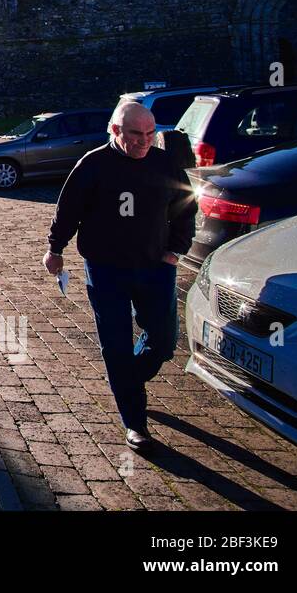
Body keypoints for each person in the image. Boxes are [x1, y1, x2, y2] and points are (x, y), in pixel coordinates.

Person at [43, 101, 197, 450]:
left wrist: (175, 250)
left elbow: (187, 206)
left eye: (149, 133)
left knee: (163, 341)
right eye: (135, 134)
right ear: (115, 131)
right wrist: (55, 250)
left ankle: (128, 382)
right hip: (106, 270)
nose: (144, 141)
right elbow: (67, 212)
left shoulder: (164, 162)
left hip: (156, 268)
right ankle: (135, 423)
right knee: (116, 345)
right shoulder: (93, 165)